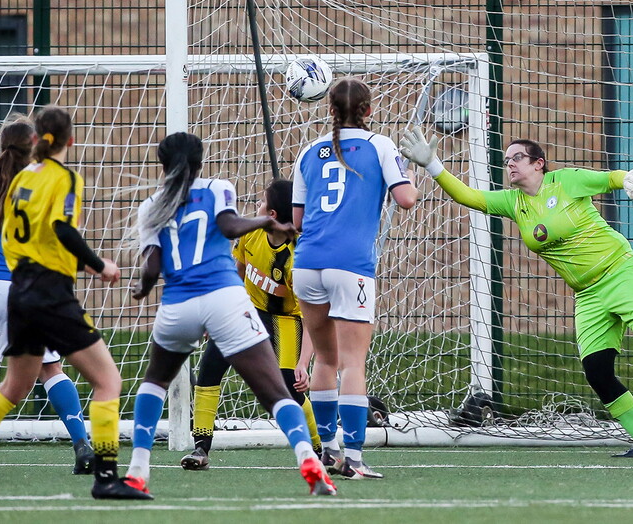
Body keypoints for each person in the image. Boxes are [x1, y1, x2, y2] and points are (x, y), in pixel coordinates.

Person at [399, 126, 633, 457]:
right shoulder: (513, 203)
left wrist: (626, 179)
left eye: (518, 157)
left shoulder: (566, 181)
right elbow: (468, 196)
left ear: (539, 163)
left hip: (620, 271)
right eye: (507, 160)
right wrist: (433, 165)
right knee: (597, 371)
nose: (511, 165)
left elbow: (607, 179)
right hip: (588, 294)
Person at [0, 106, 152, 500]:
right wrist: (97, 264)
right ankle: (105, 477)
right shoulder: (63, 178)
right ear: (68, 141)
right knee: (107, 380)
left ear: (38, 139)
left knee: (14, 385)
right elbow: (60, 227)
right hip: (49, 292)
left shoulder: (19, 182)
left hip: (17, 291)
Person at [126, 132, 336, 496]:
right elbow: (228, 227)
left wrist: (142, 289)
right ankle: (308, 459)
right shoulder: (218, 189)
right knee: (271, 392)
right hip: (228, 302)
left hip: (181, 305)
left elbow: (151, 267)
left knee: (154, 381)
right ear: (200, 161)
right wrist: (264, 223)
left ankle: (136, 471)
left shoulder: (151, 205)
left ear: (163, 166)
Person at [0, 114, 94, 478]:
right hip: (34, 287)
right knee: (51, 369)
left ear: (1, 145)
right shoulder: (43, 185)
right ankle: (82, 445)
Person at [291, 77, 419, 479]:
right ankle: (356, 459)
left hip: (307, 263)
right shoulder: (381, 145)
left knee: (325, 360)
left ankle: (328, 451)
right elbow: (406, 199)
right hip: (351, 265)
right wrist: (412, 170)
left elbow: (296, 221)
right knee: (353, 363)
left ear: (330, 110)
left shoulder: (308, 151)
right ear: (368, 110)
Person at [180, 179, 322, 471]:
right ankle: (201, 448)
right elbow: (238, 273)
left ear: (271, 214)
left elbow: (311, 315)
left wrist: (304, 362)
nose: (256, 206)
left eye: (262, 202)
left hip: (286, 320)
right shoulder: (251, 234)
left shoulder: (300, 257)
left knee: (290, 387)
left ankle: (319, 448)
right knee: (209, 368)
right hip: (244, 310)